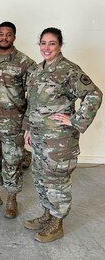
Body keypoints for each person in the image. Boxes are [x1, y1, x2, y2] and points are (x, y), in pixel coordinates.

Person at [24, 27, 102, 242]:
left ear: (59, 45)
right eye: (43, 43)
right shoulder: (36, 71)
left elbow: (93, 94)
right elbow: (33, 103)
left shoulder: (69, 70)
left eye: (51, 43)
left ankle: (57, 223)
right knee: (40, 178)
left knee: (57, 181)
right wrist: (28, 129)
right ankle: (48, 215)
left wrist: (75, 121)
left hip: (59, 141)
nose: (46, 48)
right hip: (39, 139)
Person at [0, 21, 36, 218]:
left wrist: (28, 123)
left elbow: (35, 95)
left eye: (8, 34)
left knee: (13, 162)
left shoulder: (25, 63)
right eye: (0, 34)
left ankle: (11, 199)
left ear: (14, 37)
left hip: (13, 124)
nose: (4, 37)